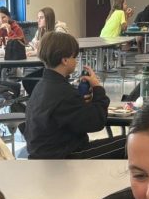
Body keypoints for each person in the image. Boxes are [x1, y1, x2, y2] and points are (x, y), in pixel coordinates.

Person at [24, 32, 127, 160]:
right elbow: (97, 122)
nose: (76, 61)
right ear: (65, 60)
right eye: (75, 57)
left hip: (44, 154)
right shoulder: (63, 92)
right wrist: (97, 88)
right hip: (64, 158)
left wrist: (82, 103)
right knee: (130, 143)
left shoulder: (42, 86)